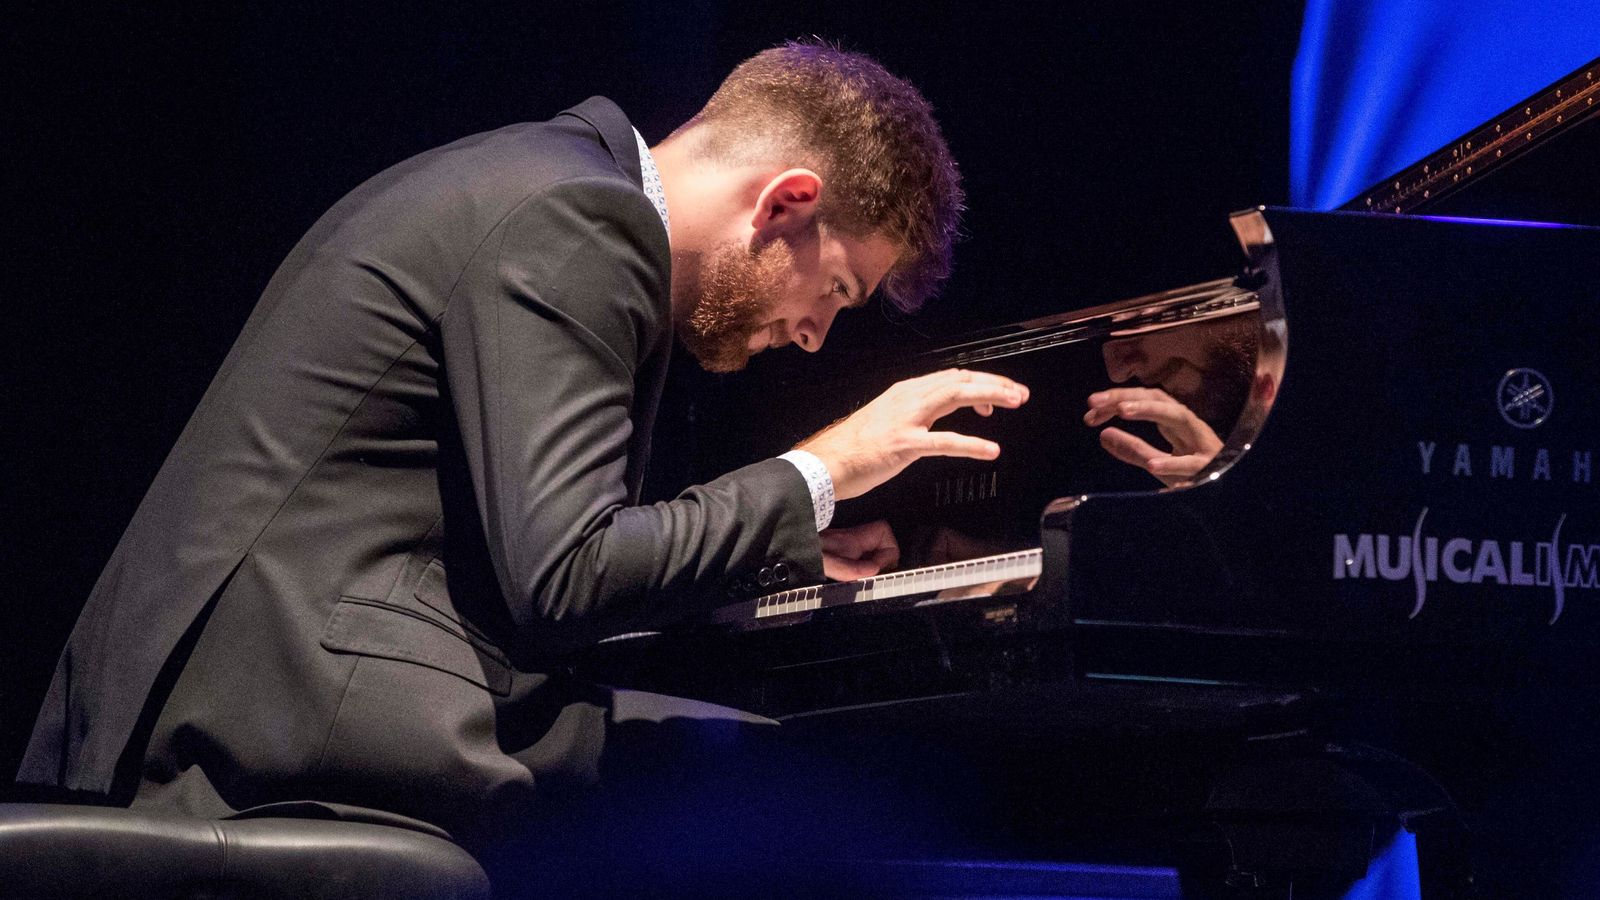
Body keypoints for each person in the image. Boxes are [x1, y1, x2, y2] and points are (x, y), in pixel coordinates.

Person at [18, 38, 1027, 876]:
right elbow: (566, 575)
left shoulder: (539, 181)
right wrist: (822, 469)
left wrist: (785, 538)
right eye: (838, 293)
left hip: (284, 693)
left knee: (772, 779)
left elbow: (525, 554)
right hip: (290, 731)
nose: (814, 336)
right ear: (787, 202)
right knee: (847, 803)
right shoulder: (579, 218)